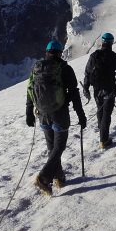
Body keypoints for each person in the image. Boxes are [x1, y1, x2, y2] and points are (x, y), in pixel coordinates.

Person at [26, 39, 87, 195]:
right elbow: (74, 92)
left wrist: (29, 112)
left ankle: (59, 178)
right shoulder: (64, 68)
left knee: (52, 148)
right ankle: (44, 177)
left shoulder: (37, 68)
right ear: (60, 53)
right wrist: (81, 114)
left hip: (42, 115)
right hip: (59, 113)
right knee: (59, 147)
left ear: (47, 52)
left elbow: (30, 89)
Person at [82, 32, 116, 149]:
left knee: (100, 110)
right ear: (111, 43)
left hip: (97, 89)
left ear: (102, 42)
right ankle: (104, 140)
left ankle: (102, 133)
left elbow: (88, 72)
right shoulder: (115, 57)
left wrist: (86, 88)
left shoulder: (94, 56)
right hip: (109, 89)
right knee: (107, 113)